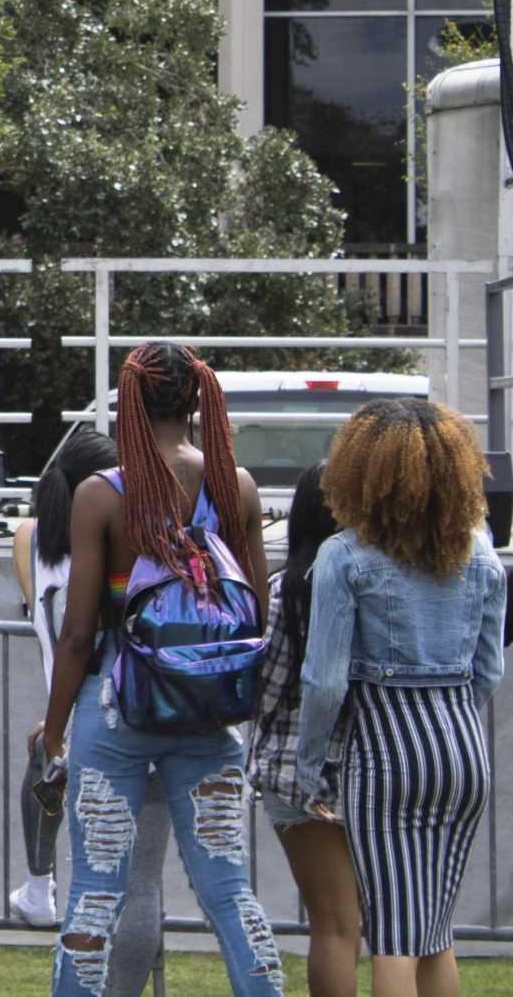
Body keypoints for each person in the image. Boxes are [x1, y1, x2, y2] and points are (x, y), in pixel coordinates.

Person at [38, 341, 280, 997]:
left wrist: (55, 730)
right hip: (208, 709)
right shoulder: (238, 488)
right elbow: (256, 612)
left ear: (129, 402)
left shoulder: (101, 495)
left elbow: (79, 631)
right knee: (229, 891)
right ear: (197, 398)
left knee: (95, 894)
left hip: (117, 702)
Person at [296, 400, 506, 997]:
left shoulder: (345, 554)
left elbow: (325, 680)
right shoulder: (479, 547)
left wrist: (312, 765)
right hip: (463, 746)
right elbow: (488, 668)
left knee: (393, 935)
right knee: (433, 931)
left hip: (386, 752)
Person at [7, 428, 171, 996]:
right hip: (134, 720)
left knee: (92, 886)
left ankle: (37, 886)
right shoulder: (124, 545)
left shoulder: (28, 539)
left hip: (71, 732)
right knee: (140, 884)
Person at [248, 463, 358, 997]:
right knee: (390, 926)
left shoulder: (286, 589)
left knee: (333, 924)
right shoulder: (376, 581)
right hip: (372, 763)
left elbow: (265, 690)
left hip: (294, 770)